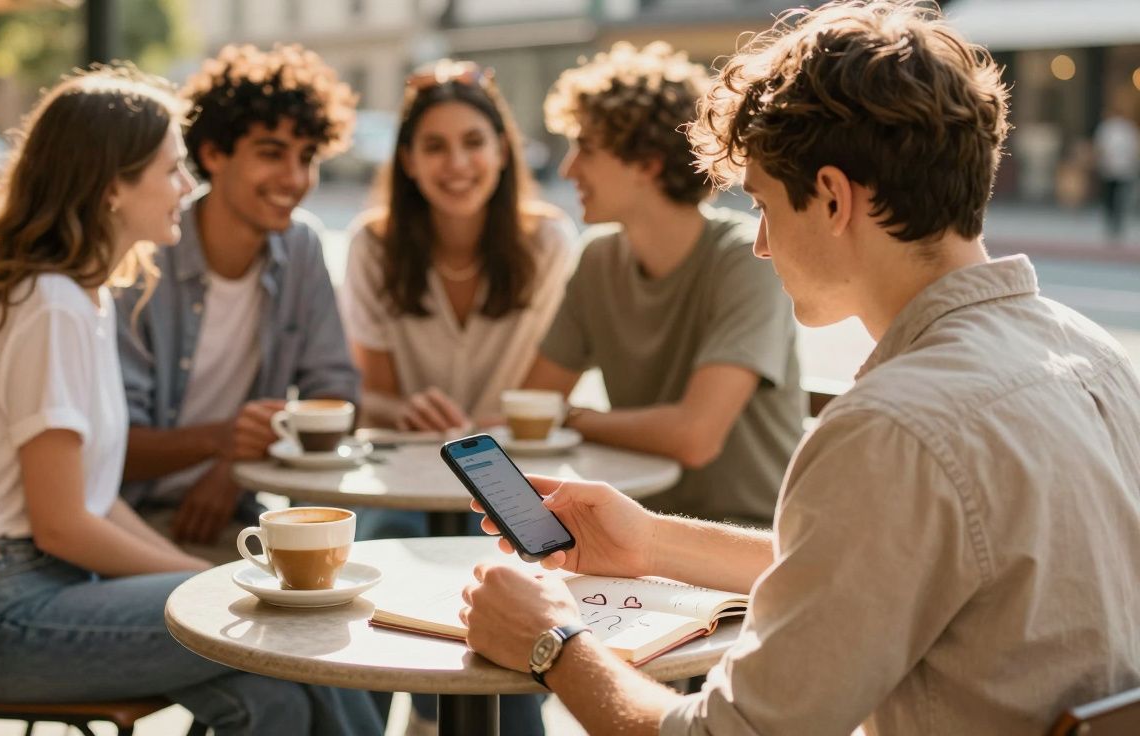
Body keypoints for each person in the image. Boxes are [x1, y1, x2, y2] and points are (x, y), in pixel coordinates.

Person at [458, 2, 1140, 734]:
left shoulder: (892, 428)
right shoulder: (1091, 353)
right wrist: (652, 542)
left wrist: (552, 643)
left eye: (762, 203)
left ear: (833, 198)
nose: (759, 243)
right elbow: (884, 571)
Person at [0, 66, 381, 736]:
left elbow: (96, 501)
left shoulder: (85, 299)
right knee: (269, 625)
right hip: (5, 614)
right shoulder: (51, 307)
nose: (187, 190)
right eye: (172, 171)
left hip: (53, 587)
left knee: (276, 686)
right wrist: (208, 580)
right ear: (111, 186)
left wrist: (212, 574)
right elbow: (63, 525)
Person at [339, 59, 576, 736]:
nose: (457, 163)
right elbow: (373, 395)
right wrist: (405, 411)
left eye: (474, 142)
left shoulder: (549, 242)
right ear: (408, 161)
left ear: (503, 151)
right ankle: (395, 711)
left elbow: (544, 394)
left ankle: (446, 713)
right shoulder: (372, 246)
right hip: (403, 473)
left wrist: (486, 423)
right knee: (384, 548)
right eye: (434, 146)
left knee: (513, 571)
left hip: (507, 470)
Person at [523, 41, 803, 524]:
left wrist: (570, 421)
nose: (568, 169)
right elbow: (534, 401)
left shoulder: (745, 260)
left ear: (648, 164)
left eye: (585, 147)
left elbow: (695, 437)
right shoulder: (598, 258)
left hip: (742, 540)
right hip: (636, 529)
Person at [114, 43, 361, 556]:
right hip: (129, 519)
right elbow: (112, 448)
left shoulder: (301, 247)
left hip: (243, 516)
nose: (294, 179)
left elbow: (338, 394)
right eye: (271, 153)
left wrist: (232, 469)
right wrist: (222, 441)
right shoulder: (144, 255)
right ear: (213, 154)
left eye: (307, 157)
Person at [1094, 102, 1138, 242]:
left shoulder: (1107, 128)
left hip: (1114, 167)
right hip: (1121, 168)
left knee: (1111, 197)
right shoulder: (1128, 128)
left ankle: (1113, 223)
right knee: (1119, 198)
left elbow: (1101, 148)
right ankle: (1116, 223)